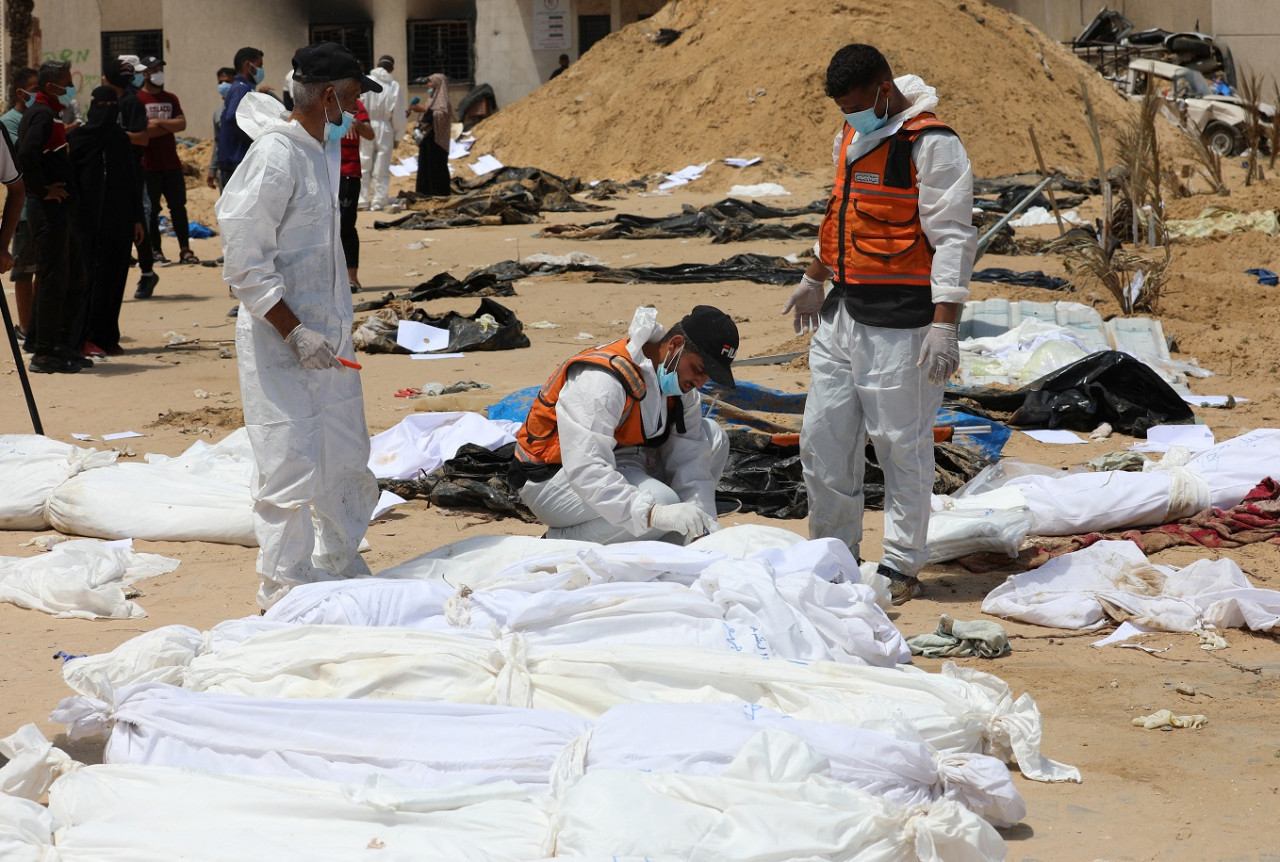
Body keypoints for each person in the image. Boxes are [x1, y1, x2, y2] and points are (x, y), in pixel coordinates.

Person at [785, 43, 975, 605]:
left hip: (902, 323)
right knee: (822, 439)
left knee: (900, 445)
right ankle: (834, 553)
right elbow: (842, 211)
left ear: (885, 90)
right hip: (842, 312)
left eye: (857, 104)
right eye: (842, 107)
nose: (849, 115)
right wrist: (814, 276)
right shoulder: (850, 137)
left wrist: (946, 323)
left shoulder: (931, 145)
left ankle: (900, 564)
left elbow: (954, 239)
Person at [215, 41, 382, 610]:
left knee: (341, 449)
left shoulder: (318, 150)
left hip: (327, 341)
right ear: (330, 95)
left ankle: (338, 558)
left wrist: (329, 330)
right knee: (288, 459)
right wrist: (294, 331)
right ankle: (284, 585)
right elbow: (243, 263)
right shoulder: (275, 157)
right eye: (355, 98)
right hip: (281, 341)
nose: (358, 111)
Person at [512, 305, 737, 545]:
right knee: (663, 503)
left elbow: (691, 464)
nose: (700, 383)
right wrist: (653, 514)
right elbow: (586, 468)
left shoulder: (682, 389)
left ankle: (670, 534)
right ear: (675, 345)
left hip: (625, 464)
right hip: (554, 480)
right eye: (698, 369)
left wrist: (702, 529)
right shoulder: (603, 381)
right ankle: (560, 540)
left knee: (713, 438)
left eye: (708, 376)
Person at [17, 60, 90, 374]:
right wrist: (41, 189)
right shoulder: (43, 114)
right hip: (47, 211)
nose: (70, 87)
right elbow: (26, 152)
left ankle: (56, 345)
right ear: (50, 87)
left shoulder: (50, 114)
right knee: (52, 280)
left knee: (73, 277)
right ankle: (44, 355)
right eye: (65, 82)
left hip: (59, 212)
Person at [69, 86, 143, 356]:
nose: (109, 108)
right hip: (86, 222)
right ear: (93, 106)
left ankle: (106, 335)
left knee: (114, 278)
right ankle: (84, 337)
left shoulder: (120, 140)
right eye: (104, 103)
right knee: (90, 279)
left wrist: (137, 219)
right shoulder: (79, 139)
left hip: (119, 222)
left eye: (114, 103)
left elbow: (133, 181)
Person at [135, 56, 197, 266]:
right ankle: (156, 251)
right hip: (148, 165)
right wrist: (166, 126)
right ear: (145, 73)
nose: (158, 73)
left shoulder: (171, 98)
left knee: (178, 207)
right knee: (152, 210)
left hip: (172, 164)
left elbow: (182, 124)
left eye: (160, 69)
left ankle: (185, 249)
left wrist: (158, 122)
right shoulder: (137, 99)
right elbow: (144, 131)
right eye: (154, 70)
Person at [1, 68, 38, 340]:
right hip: (29, 213)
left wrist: (2, 246)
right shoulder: (9, 123)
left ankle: (33, 328)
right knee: (25, 272)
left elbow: (17, 188)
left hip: (40, 208)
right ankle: (27, 328)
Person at [357, 55, 405, 211]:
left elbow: (358, 103)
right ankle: (379, 200)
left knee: (364, 162)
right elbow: (398, 114)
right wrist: (398, 135)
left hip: (366, 124)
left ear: (377, 64)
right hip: (385, 127)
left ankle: (362, 200)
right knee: (382, 165)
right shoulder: (393, 86)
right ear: (391, 68)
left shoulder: (366, 80)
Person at [216, 46, 265, 186]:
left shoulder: (243, 86)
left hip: (236, 160)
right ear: (248, 65)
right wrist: (254, 138)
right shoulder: (241, 88)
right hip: (235, 160)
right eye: (259, 65)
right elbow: (233, 117)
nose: (261, 70)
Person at [339, 96, 372, 290]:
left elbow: (370, 134)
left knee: (347, 225)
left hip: (350, 174)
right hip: (327, 174)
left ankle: (352, 278)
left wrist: (355, 123)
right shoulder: (323, 105)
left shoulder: (356, 105)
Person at [408, 73, 451, 196]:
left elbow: (441, 115)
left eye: (430, 82)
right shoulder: (431, 99)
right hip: (426, 138)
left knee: (437, 167)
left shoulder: (443, 100)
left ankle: (438, 195)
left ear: (437, 84)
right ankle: (424, 194)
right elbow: (425, 116)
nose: (428, 85)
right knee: (424, 167)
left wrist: (424, 110)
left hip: (437, 139)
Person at [207, 66, 236, 189]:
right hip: (224, 171)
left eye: (228, 82)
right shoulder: (218, 113)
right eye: (220, 82)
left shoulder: (244, 108)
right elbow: (218, 142)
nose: (224, 85)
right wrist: (212, 170)